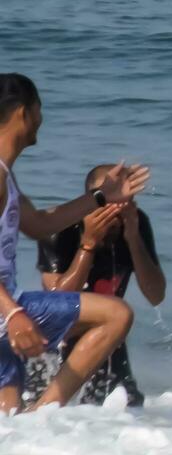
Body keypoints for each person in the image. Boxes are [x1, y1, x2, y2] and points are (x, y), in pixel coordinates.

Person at [0, 73, 149, 415]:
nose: (42, 119)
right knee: (115, 314)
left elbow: (41, 225)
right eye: (40, 109)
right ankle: (44, 415)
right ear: (24, 112)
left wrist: (101, 196)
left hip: (5, 311)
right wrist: (15, 314)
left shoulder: (5, 175)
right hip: (6, 310)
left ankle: (37, 421)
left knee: (7, 425)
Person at [23, 164, 166, 407]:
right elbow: (58, 301)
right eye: (110, 200)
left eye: (126, 200)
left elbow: (156, 295)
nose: (117, 209)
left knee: (125, 406)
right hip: (58, 339)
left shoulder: (135, 224)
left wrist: (133, 238)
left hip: (106, 334)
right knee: (35, 411)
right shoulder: (61, 229)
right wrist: (88, 245)